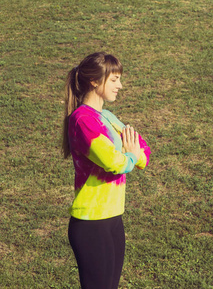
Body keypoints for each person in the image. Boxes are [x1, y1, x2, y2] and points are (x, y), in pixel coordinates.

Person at [62, 52, 151, 289]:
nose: (120, 85)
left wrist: (130, 155)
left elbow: (144, 154)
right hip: (91, 221)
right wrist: (129, 154)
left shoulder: (108, 117)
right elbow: (114, 162)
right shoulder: (82, 120)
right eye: (114, 80)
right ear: (94, 81)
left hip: (112, 218)